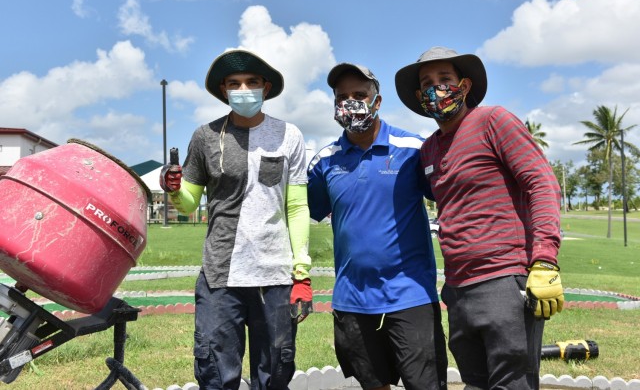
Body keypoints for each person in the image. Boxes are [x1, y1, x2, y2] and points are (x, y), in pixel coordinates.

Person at [395, 46, 564, 390]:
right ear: (418, 96)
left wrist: (545, 260)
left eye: (445, 80)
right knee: (475, 383)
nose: (436, 89)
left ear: (465, 86)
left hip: (503, 279)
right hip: (458, 289)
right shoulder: (429, 149)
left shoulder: (493, 121)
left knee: (511, 383)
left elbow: (541, 182)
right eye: (427, 83)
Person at [159, 49, 313, 390]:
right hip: (220, 277)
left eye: (252, 82)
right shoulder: (206, 137)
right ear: (224, 90)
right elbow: (187, 204)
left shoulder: (289, 135)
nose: (244, 89)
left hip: (274, 275)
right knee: (215, 374)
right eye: (234, 83)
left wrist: (301, 273)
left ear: (266, 87)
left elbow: (297, 207)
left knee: (274, 373)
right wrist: (172, 189)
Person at [307, 63, 448, 390]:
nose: (350, 102)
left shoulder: (413, 150)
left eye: (359, 95)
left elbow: (452, 194)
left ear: (378, 101)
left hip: (410, 296)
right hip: (352, 300)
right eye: (342, 97)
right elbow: (303, 212)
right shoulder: (325, 161)